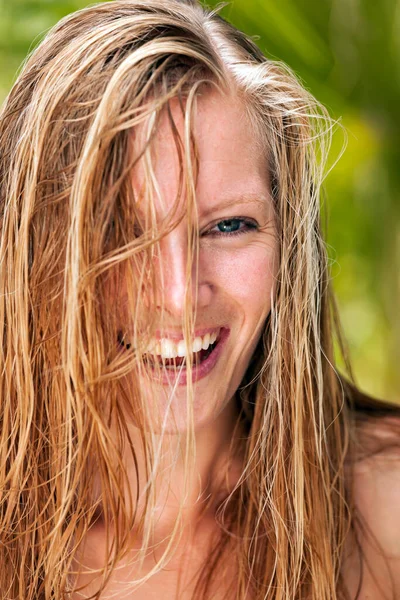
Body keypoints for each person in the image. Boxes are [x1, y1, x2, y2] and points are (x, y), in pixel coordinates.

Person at [0, 1, 399, 598]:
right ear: (31, 247)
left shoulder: (385, 504)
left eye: (230, 226)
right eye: (123, 234)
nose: (181, 293)